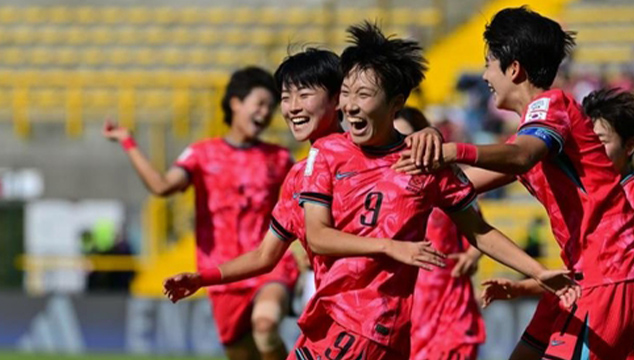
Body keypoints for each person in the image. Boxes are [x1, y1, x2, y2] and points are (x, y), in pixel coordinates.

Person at [295, 21, 577, 360]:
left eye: (364, 95)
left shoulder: (427, 163)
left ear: (395, 103)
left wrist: (538, 271)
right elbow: (318, 237)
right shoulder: (327, 153)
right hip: (329, 318)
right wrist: (390, 246)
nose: (350, 105)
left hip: (366, 323)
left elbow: (480, 231)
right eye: (346, 93)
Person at [161, 49, 446, 357]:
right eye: (285, 98)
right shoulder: (300, 175)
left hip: (370, 322)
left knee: (265, 326)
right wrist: (201, 278)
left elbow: (421, 156)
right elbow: (264, 255)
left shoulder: (373, 152)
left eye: (304, 95)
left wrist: (431, 136)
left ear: (339, 99)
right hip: (331, 318)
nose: (292, 108)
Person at [402, 7, 634, 359]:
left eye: (488, 64)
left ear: (513, 69)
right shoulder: (530, 135)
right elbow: (462, 184)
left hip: (610, 272)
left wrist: (452, 149)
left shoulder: (552, 106)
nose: (484, 76)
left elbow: (520, 158)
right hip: (581, 277)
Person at [103, 66, 299, 360]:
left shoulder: (280, 158)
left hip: (269, 264)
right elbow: (161, 186)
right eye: (259, 103)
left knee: (265, 324)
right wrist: (127, 141)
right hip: (222, 273)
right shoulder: (202, 154)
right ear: (235, 102)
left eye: (270, 107)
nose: (265, 113)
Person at [481, 87, 634, 359]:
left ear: (629, 146)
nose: (595, 152)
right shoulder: (576, 184)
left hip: (611, 302)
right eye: (590, 143)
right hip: (571, 293)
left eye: (601, 142)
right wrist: (522, 287)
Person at [394, 107, 486, 360]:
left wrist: (471, 256)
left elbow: (480, 227)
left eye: (406, 140)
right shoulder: (382, 187)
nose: (400, 150)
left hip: (449, 299)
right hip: (406, 301)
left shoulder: (446, 180)